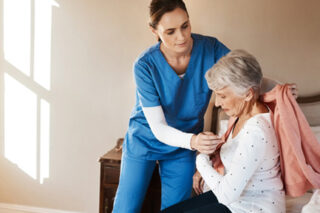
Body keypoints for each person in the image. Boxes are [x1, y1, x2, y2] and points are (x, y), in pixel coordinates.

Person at [112, 0, 298, 212]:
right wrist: (194, 142)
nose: (181, 37)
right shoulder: (145, 65)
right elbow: (158, 128)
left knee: (175, 208)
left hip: (185, 146)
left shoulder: (211, 49)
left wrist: (280, 89)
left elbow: (243, 77)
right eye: (170, 31)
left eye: (185, 26)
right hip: (146, 140)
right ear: (154, 31)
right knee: (126, 208)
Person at [161, 49, 285, 213]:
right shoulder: (240, 115)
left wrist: (201, 161)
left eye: (223, 96)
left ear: (248, 94)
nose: (217, 103)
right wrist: (210, 148)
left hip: (253, 207)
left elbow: (226, 195)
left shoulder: (256, 132)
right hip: (237, 200)